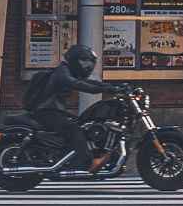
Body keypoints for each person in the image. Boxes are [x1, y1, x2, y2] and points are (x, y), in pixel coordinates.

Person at [27, 44, 125, 172]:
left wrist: (113, 86)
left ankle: (79, 155)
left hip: (55, 111)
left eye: (90, 62)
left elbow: (89, 82)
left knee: (83, 125)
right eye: (84, 61)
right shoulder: (62, 72)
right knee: (74, 129)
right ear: (74, 59)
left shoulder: (69, 71)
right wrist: (105, 89)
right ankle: (85, 163)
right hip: (46, 111)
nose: (87, 65)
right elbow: (76, 84)